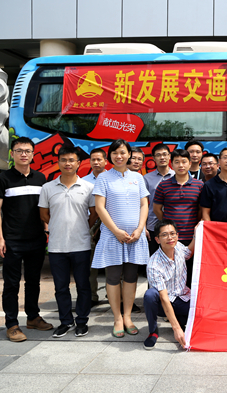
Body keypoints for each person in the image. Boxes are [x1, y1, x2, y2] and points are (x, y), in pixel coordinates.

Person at [0, 136, 53, 342]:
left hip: (36, 239)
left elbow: (43, 208)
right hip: (12, 241)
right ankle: (12, 324)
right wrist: (0, 239)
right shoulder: (2, 179)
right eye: (19, 151)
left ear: (33, 154)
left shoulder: (40, 178)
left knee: (33, 281)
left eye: (27, 151)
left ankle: (33, 317)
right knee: (11, 284)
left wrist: (46, 230)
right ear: (12, 154)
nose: (23, 154)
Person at [92, 139, 149, 338]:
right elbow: (99, 207)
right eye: (115, 152)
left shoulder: (137, 177)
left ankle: (128, 317)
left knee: (132, 277)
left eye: (123, 152)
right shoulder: (104, 177)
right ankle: (117, 318)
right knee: (113, 277)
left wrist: (140, 229)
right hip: (112, 236)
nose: (119, 156)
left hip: (134, 237)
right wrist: (116, 231)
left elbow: (144, 204)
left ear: (129, 155)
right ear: (110, 156)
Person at [38, 146, 97, 338]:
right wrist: (57, 227)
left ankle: (82, 321)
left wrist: (82, 227)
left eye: (71, 160)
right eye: (63, 160)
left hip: (81, 244)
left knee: (83, 285)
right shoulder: (48, 187)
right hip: (57, 246)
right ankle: (65, 321)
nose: (67, 163)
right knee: (60, 287)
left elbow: (94, 214)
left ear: (78, 163)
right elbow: (44, 214)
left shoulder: (88, 187)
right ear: (58, 162)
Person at [153, 149, 204, 286]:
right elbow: (157, 209)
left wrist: (196, 227)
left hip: (191, 237)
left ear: (190, 164)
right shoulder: (163, 185)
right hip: (170, 238)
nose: (181, 165)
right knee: (170, 272)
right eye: (177, 162)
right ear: (172, 164)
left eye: (184, 162)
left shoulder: (199, 185)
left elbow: (200, 210)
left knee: (191, 272)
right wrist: (167, 225)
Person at [143, 219, 195, 350]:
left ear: (177, 235)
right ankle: (153, 331)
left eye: (172, 233)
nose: (170, 238)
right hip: (164, 302)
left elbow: (188, 253)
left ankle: (180, 319)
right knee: (150, 295)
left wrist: (196, 235)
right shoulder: (154, 264)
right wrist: (176, 329)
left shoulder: (178, 247)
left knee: (202, 315)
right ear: (157, 239)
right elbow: (164, 297)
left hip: (183, 297)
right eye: (164, 235)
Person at [83, 148, 107, 306]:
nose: (96, 162)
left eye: (99, 159)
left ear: (106, 161)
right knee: (89, 264)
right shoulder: (84, 181)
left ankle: (114, 296)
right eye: (93, 159)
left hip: (109, 226)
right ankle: (91, 296)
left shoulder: (112, 179)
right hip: (90, 226)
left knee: (112, 264)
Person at [199, 147, 227, 223]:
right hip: (217, 228)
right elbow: (205, 213)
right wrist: (210, 228)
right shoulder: (209, 185)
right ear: (219, 161)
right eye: (225, 157)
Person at [143, 143, 174, 255]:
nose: (162, 157)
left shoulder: (177, 176)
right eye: (158, 155)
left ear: (169, 156)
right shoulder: (147, 178)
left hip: (173, 225)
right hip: (153, 225)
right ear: (153, 158)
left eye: (165, 154)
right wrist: (144, 227)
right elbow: (143, 204)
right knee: (154, 256)